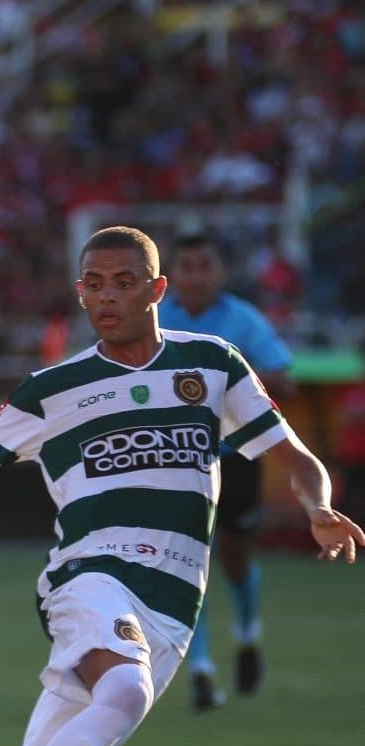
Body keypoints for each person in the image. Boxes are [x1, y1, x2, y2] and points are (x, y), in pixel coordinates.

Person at [0, 226, 363, 746]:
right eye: (93, 285)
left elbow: (296, 458)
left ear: (156, 289)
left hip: (174, 602)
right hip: (88, 576)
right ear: (80, 293)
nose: (106, 297)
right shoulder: (53, 389)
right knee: (123, 691)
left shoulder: (213, 365)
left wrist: (318, 507)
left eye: (123, 283)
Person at [158, 233, 294, 710]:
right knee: (183, 563)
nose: (196, 275)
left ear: (221, 272)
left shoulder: (242, 320)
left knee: (235, 556)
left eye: (204, 265)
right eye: (187, 266)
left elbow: (283, 376)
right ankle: (200, 671)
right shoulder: (155, 318)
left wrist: (232, 384)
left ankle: (248, 631)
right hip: (169, 461)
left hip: (233, 458)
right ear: (171, 274)